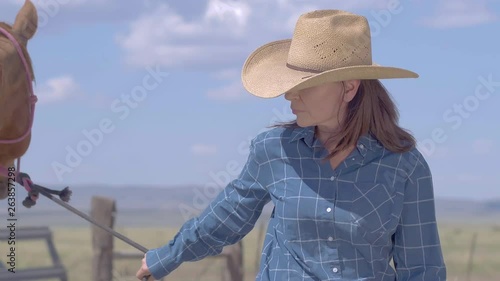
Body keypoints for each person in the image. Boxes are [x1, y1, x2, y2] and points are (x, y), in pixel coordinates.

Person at [136, 9, 447, 281]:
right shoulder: (272, 151)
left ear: (349, 88)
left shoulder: (404, 166)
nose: (290, 95)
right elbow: (226, 219)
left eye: (305, 87)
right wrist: (166, 257)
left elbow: (422, 269)